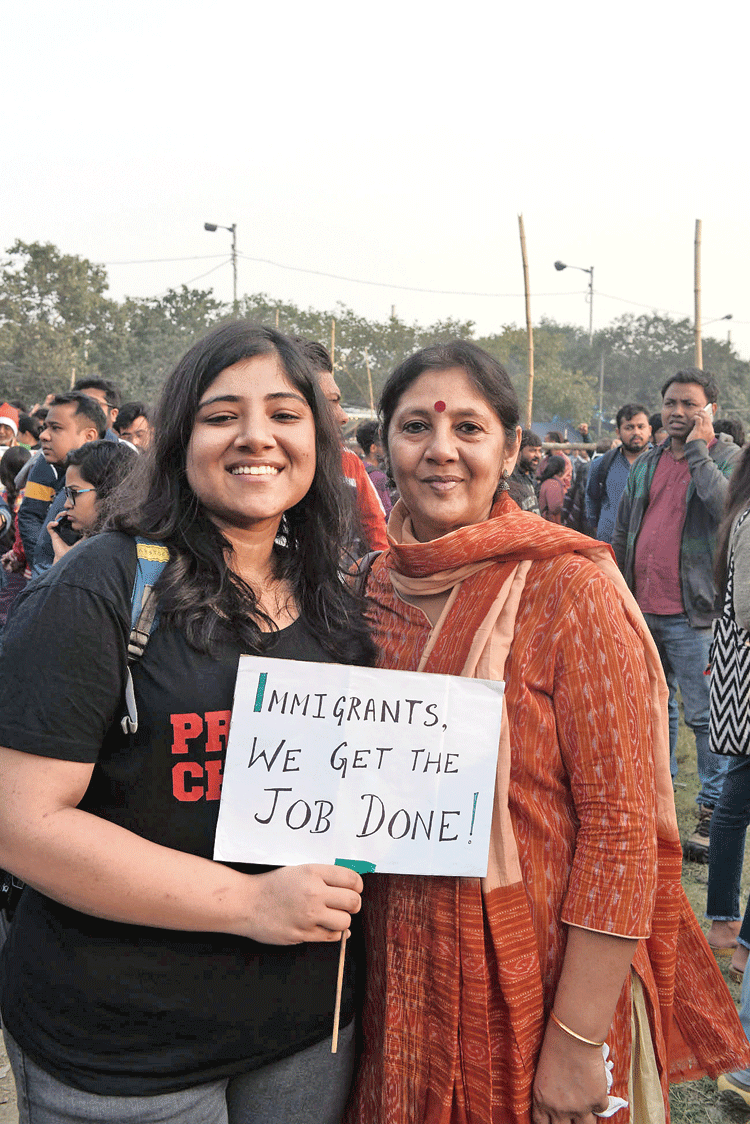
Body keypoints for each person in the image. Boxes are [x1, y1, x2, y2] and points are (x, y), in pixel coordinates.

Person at [347, 341, 749, 1124]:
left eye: (469, 427)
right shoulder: (364, 590)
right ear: (384, 447)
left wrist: (574, 1039)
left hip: (541, 980)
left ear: (507, 449)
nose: (441, 450)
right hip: (395, 976)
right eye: (415, 428)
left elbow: (623, 829)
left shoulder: (567, 588)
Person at [0, 323, 374, 1123]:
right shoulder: (100, 587)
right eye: (221, 415)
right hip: (125, 1054)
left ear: (320, 438)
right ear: (179, 439)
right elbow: (21, 822)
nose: (256, 437)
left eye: (284, 413)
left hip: (309, 1034)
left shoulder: (337, 595)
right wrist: (248, 905)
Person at [613, 368, 740, 861]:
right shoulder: (647, 460)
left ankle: (710, 812)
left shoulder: (728, 458)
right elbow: (625, 528)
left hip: (696, 614)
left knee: (705, 717)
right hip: (643, 607)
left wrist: (702, 451)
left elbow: (725, 507)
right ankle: (657, 805)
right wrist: (620, 590)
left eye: (690, 404)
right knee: (652, 710)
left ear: (710, 409)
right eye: (671, 403)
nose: (678, 412)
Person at [705, 444, 750, 981]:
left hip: (738, 671)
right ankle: (731, 936)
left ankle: (725, 927)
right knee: (733, 800)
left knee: (734, 799)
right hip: (745, 669)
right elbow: (746, 607)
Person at [296, 340, 387, 555]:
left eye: (337, 401)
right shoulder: (263, 467)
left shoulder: (349, 464)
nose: (343, 417)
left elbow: (376, 532)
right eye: (330, 403)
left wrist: (379, 577)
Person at [47, 440, 137, 563]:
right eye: (66, 494)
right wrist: (63, 559)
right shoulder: (92, 546)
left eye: (74, 493)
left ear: (109, 492)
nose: (66, 504)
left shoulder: (107, 555)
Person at [585, 404, 650, 543]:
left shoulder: (662, 463)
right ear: (618, 432)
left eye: (641, 427)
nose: (636, 432)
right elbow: (592, 498)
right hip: (611, 544)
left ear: (649, 430)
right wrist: (600, 529)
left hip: (649, 545)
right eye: (629, 427)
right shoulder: (602, 464)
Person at [356, 418, 393, 518]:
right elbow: (386, 514)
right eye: (383, 445)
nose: (386, 449)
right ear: (373, 448)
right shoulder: (378, 477)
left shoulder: (356, 468)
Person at [507, 429, 541, 514]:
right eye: (532, 450)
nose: (538, 455)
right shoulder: (510, 481)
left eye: (539, 451)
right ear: (518, 451)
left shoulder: (529, 477)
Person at [538, 454, 568, 523]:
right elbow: (554, 508)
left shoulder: (549, 482)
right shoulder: (553, 484)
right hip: (553, 524)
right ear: (562, 469)